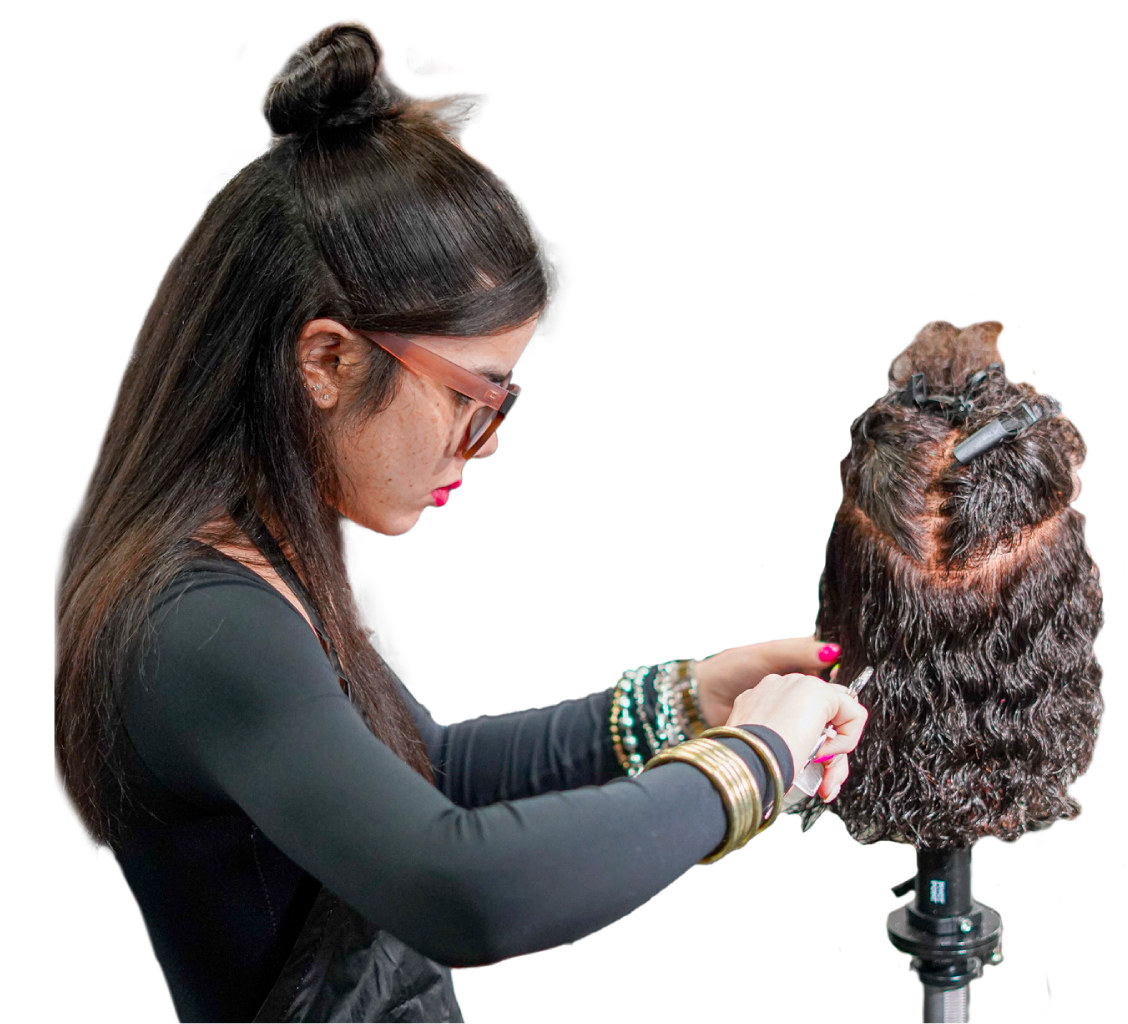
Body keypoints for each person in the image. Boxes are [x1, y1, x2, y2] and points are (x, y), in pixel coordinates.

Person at [53, 18, 867, 1023]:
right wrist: (752, 761)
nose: (483, 445)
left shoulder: (283, 546)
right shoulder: (201, 625)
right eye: (469, 396)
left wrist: (689, 701)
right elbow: (462, 892)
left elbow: (412, 772)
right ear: (326, 359)